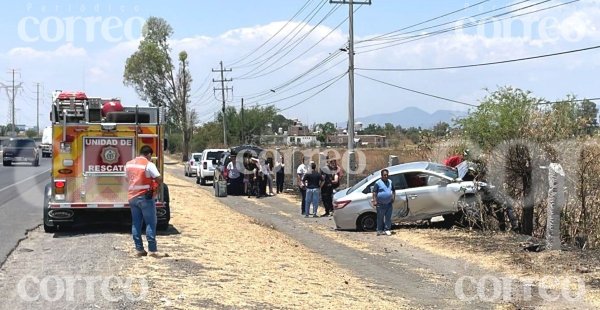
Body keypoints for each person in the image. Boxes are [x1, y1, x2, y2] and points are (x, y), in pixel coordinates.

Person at [125, 145, 162, 257]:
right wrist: (155, 185)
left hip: (132, 197)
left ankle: (139, 250)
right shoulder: (148, 164)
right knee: (150, 222)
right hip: (145, 197)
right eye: (151, 156)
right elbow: (158, 178)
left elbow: (126, 178)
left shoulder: (129, 164)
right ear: (149, 154)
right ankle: (152, 250)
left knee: (136, 223)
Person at [371, 169, 395, 236]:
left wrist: (393, 197)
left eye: (387, 175)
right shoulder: (378, 183)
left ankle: (387, 229)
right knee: (380, 217)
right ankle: (379, 230)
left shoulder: (390, 182)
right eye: (384, 175)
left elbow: (393, 190)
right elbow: (374, 192)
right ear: (381, 176)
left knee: (388, 218)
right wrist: (375, 200)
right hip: (380, 204)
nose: (386, 176)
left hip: (389, 204)